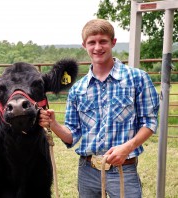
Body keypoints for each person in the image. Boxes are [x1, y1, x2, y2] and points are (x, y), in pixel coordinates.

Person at [39, 19, 160, 198]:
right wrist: (54, 124)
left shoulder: (137, 79)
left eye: (103, 41)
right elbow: (72, 136)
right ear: (84, 45)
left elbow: (149, 122)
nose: (98, 47)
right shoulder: (78, 90)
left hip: (123, 169)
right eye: (92, 42)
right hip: (87, 171)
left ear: (113, 42)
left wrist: (127, 148)